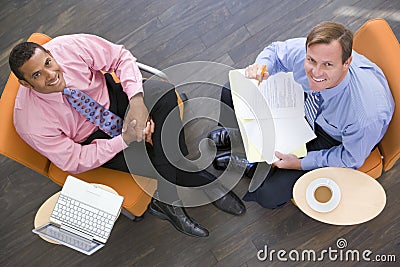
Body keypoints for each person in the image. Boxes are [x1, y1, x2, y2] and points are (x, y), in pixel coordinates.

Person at [9, 33, 246, 238]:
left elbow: (120, 57)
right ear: (25, 83)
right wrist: (126, 139)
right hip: (95, 138)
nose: (51, 75)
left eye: (49, 63)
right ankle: (203, 185)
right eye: (37, 75)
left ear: (50, 53)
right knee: (161, 156)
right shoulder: (29, 121)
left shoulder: (69, 47)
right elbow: (74, 159)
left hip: (114, 100)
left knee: (163, 93)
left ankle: (167, 200)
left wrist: (137, 103)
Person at [208, 21, 394, 209]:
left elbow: (350, 158)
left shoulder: (364, 116)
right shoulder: (310, 53)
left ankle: (252, 165)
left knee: (268, 194)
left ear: (347, 62)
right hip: (305, 102)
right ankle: (248, 144)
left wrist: (300, 163)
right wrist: (261, 66)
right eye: (311, 60)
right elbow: (275, 52)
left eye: (328, 64)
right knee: (232, 90)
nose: (315, 72)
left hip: (334, 136)